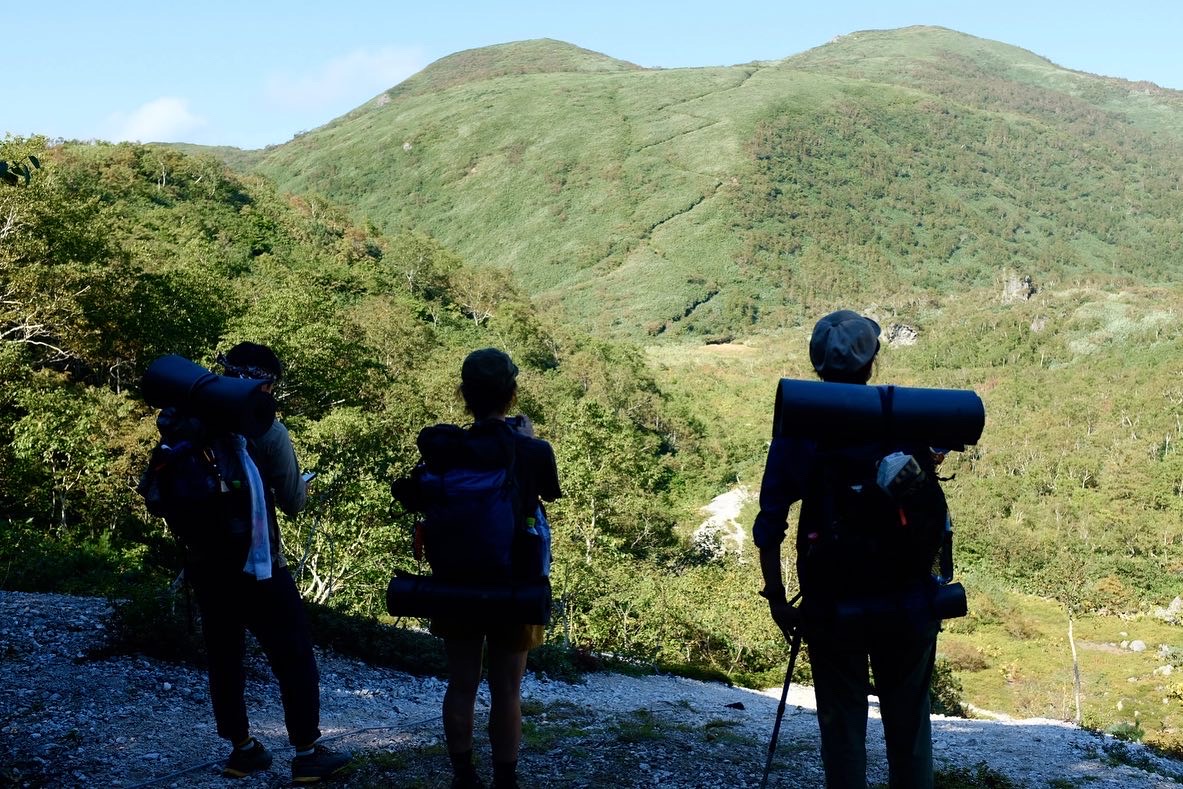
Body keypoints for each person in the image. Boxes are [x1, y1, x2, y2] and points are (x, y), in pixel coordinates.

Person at [753, 311, 941, 789]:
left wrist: (777, 597)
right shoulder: (901, 415)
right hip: (908, 599)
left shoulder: (800, 425)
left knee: (842, 731)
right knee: (911, 732)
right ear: (872, 361)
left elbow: (770, 521)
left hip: (832, 602)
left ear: (816, 364)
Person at [186, 342, 350, 782]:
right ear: (267, 384)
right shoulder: (268, 431)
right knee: (294, 656)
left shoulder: (194, 422)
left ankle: (242, 750)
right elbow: (293, 502)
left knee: (225, 658)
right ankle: (307, 753)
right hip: (260, 566)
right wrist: (302, 483)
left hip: (206, 565)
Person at [427, 348, 561, 789]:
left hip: (456, 583)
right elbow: (550, 494)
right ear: (512, 393)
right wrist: (528, 436)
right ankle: (505, 779)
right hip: (513, 585)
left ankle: (463, 776)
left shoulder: (446, 449)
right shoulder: (532, 450)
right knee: (507, 689)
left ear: (464, 394)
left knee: (462, 681)